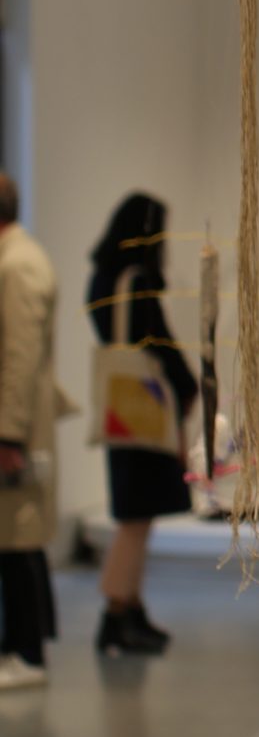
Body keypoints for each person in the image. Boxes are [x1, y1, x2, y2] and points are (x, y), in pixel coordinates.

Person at [88, 193, 194, 657]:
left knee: (136, 514)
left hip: (122, 411)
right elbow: (159, 346)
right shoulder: (139, 280)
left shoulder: (103, 279)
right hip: (145, 410)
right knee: (136, 519)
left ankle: (129, 607)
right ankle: (115, 613)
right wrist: (188, 387)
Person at [0, 172, 62, 690]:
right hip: (12, 426)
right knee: (14, 539)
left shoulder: (18, 266)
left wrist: (9, 435)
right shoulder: (17, 260)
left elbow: (18, 357)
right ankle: (19, 646)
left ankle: (26, 651)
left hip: (11, 431)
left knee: (17, 537)